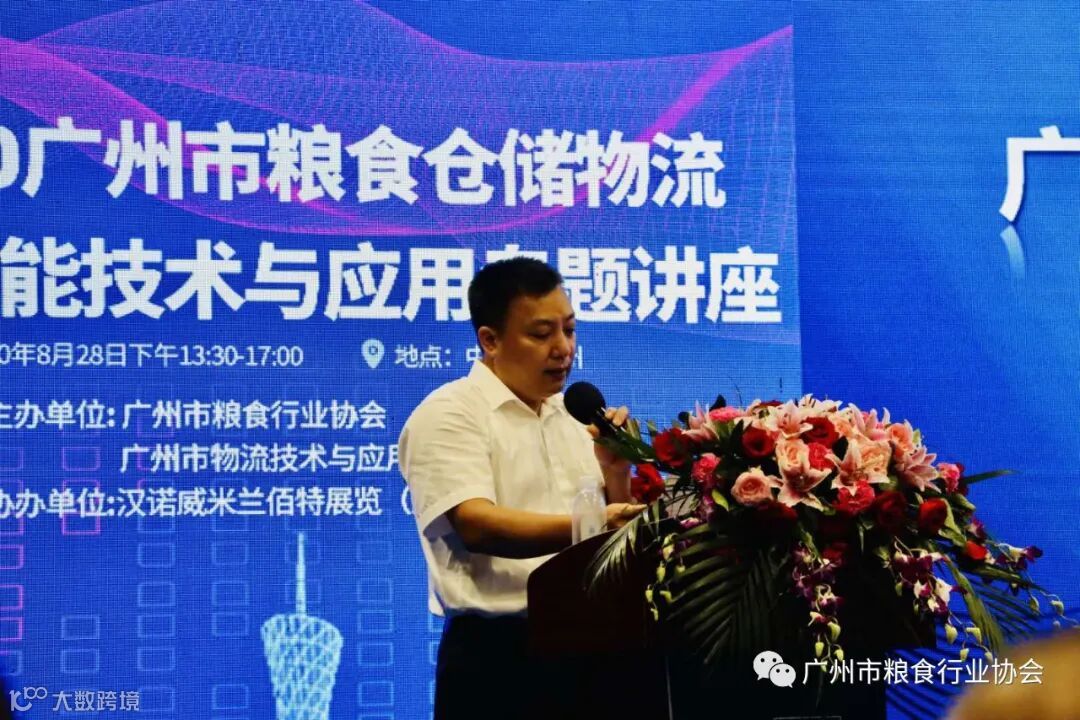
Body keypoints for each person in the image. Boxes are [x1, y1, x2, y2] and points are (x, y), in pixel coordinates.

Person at [398, 257, 643, 720]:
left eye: (569, 330)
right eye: (542, 334)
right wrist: (592, 524)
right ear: (490, 340)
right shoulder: (449, 413)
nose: (563, 349)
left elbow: (611, 537)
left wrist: (616, 474)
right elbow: (477, 525)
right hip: (500, 662)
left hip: (596, 651)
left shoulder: (572, 417)